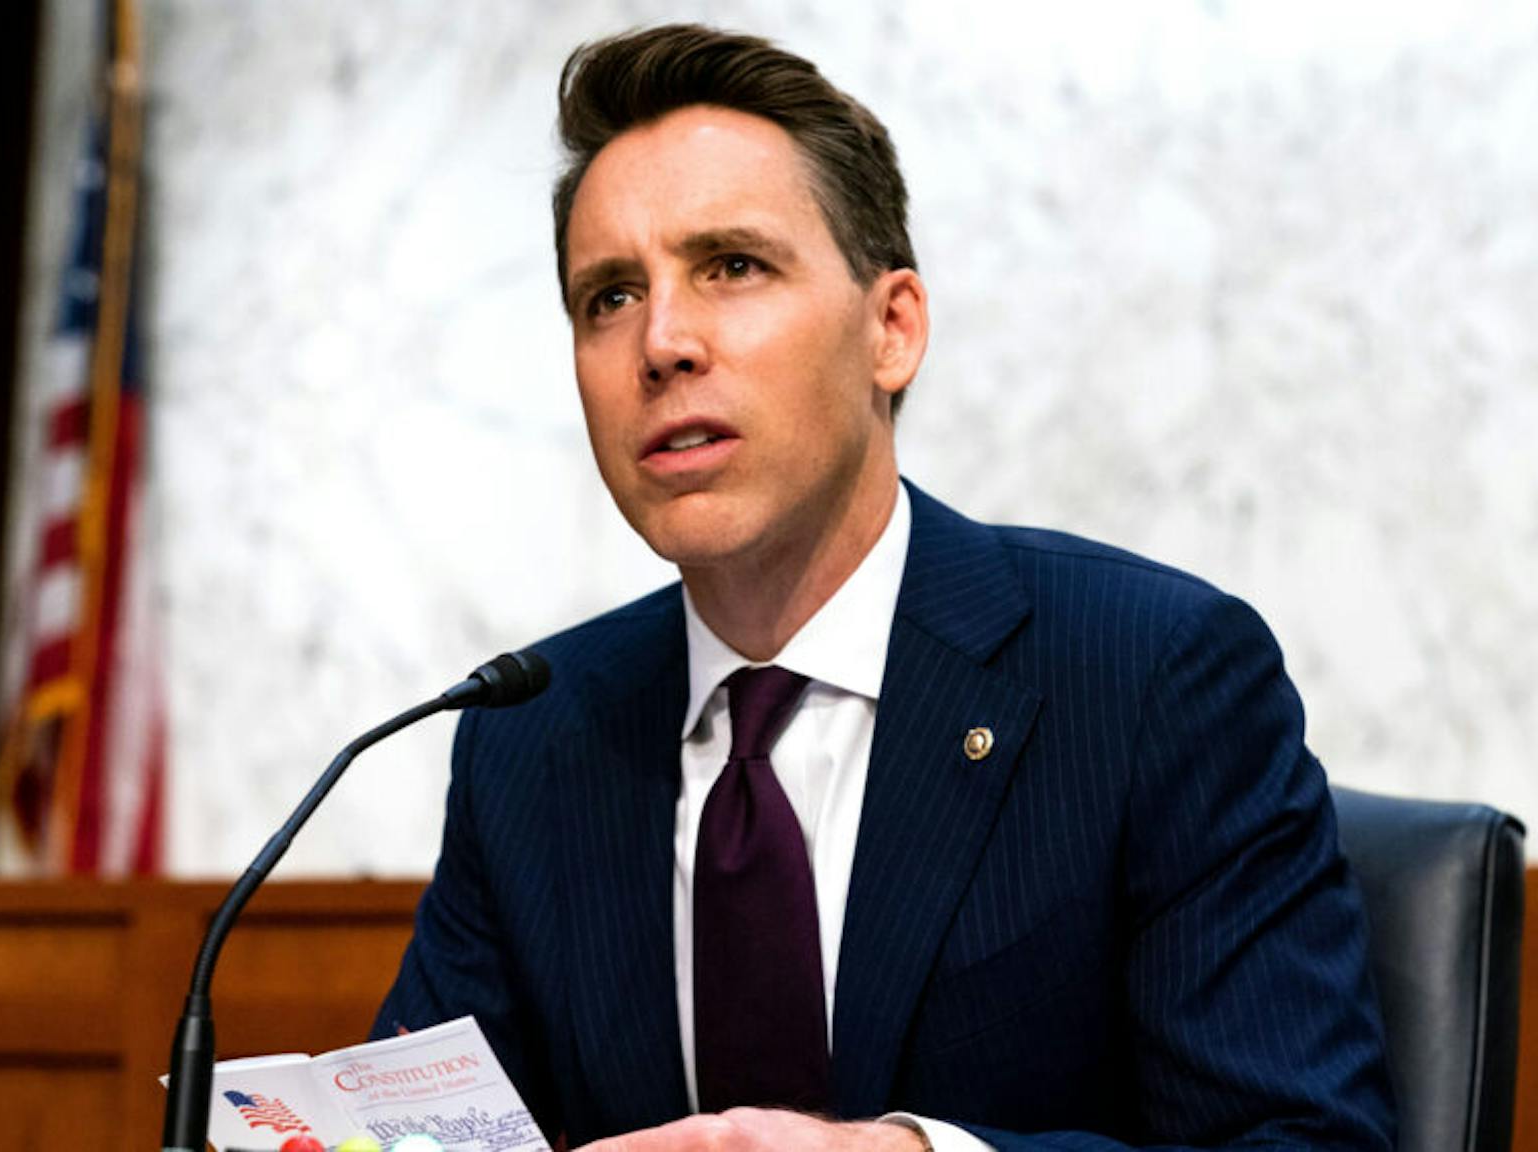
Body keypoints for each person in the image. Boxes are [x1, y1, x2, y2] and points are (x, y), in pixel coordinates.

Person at [374, 24, 1396, 1152]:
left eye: (732, 267)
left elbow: (1301, 1141)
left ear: (891, 330)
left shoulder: (1150, 674)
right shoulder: (532, 736)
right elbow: (426, 1136)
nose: (660, 343)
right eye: (608, 297)